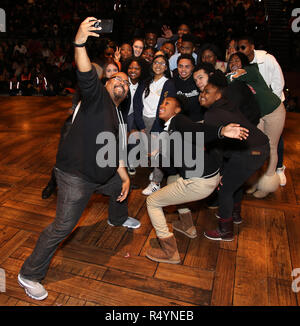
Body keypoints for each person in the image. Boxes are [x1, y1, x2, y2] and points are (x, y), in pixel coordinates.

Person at [18, 17, 140, 301]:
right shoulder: (97, 98)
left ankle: (116, 218)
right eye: (116, 79)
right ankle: (29, 273)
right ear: (106, 84)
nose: (121, 82)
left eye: (125, 82)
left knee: (121, 187)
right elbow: (85, 71)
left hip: (101, 175)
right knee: (62, 227)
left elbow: (112, 150)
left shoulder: (116, 114)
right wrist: (80, 41)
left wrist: (122, 176)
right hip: (76, 177)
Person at [145, 96, 249, 263]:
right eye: (162, 103)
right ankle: (187, 226)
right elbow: (175, 165)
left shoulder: (179, 120)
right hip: (209, 177)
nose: (161, 106)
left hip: (199, 183)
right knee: (172, 179)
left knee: (152, 202)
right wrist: (156, 154)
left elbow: (196, 130)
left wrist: (221, 131)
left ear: (177, 110)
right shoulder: (170, 131)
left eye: (167, 103)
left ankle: (169, 252)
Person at [200, 71, 270, 241]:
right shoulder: (226, 105)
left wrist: (219, 173)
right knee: (235, 184)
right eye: (202, 92)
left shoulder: (211, 115)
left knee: (224, 189)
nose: (202, 95)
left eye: (207, 92)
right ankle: (235, 215)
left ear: (218, 96)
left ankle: (225, 231)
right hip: (261, 146)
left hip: (250, 151)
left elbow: (211, 146)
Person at [226, 52, 285, 198]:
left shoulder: (251, 70)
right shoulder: (234, 80)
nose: (234, 62)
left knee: (271, 146)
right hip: (258, 115)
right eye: (231, 61)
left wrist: (228, 74)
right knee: (256, 147)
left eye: (237, 60)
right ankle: (254, 181)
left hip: (274, 111)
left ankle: (267, 184)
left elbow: (233, 76)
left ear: (244, 62)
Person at [237, 35, 287, 186]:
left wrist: (271, 102)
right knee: (259, 144)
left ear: (252, 47)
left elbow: (279, 81)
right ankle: (257, 179)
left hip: (273, 106)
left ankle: (277, 170)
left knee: (275, 142)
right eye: (238, 48)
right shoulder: (240, 66)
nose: (240, 50)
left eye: (243, 47)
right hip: (256, 111)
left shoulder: (268, 59)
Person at [133, 54, 177, 195]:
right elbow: (137, 103)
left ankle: (156, 183)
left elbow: (166, 108)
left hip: (158, 122)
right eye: (156, 62)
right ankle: (156, 172)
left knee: (159, 153)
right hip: (144, 120)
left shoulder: (168, 83)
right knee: (150, 152)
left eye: (162, 63)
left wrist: (157, 127)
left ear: (166, 67)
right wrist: (140, 124)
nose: (158, 65)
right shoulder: (146, 82)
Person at [172, 54, 204, 122]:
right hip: (179, 121)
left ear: (193, 67)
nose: (183, 70)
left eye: (187, 67)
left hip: (198, 121)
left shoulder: (198, 81)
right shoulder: (172, 81)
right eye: (180, 66)